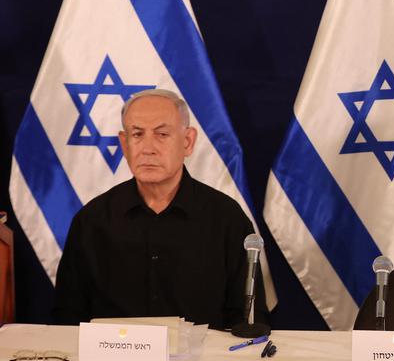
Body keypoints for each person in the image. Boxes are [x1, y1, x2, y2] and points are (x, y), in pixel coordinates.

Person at [53, 89, 266, 330]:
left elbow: (248, 318)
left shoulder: (226, 218)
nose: (147, 148)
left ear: (187, 142)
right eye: (137, 134)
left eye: (162, 134)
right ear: (124, 144)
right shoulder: (92, 220)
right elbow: (67, 318)